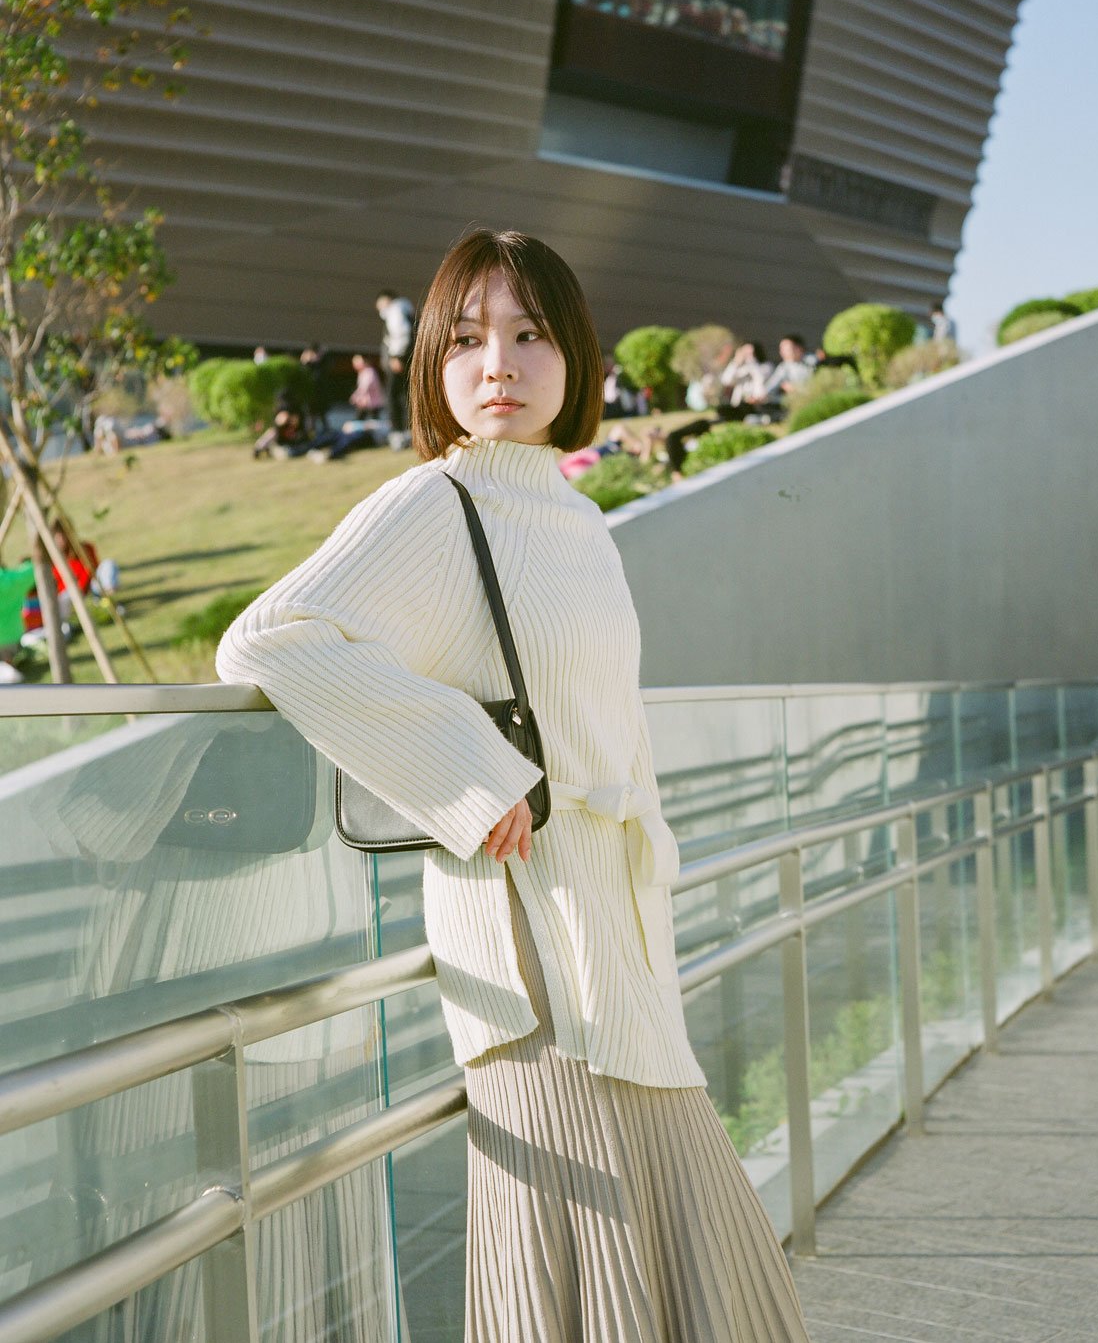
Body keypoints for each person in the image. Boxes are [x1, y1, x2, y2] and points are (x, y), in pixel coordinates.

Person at [216, 229, 813, 1342]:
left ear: (575, 357)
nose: (498, 364)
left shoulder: (579, 518)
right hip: (527, 926)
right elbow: (267, 640)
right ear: (430, 368)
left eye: (530, 335)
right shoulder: (431, 507)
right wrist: (466, 767)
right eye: (467, 338)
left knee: (689, 1236)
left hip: (616, 931)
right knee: (584, 1239)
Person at [376, 288, 416, 439]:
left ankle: (399, 431)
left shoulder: (395, 310)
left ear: (387, 300)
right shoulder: (405, 309)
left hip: (399, 359)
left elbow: (400, 334)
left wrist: (396, 357)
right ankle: (409, 430)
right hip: (405, 358)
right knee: (406, 394)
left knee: (394, 396)